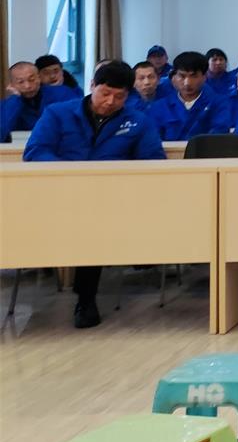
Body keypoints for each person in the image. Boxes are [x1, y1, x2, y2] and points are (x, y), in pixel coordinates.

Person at [24, 60, 165, 327]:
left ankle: (86, 299)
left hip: (111, 199)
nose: (110, 102)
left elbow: (152, 161)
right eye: (105, 93)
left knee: (93, 223)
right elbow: (35, 151)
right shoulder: (58, 113)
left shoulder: (137, 121)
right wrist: (71, 173)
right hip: (59, 195)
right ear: (92, 86)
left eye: (119, 96)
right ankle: (84, 297)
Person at [149, 51, 232, 141]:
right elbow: (153, 140)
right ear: (174, 77)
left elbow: (219, 135)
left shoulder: (218, 104)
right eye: (182, 76)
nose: (187, 83)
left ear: (204, 77)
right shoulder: (159, 107)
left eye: (194, 76)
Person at [0, 61, 73, 142]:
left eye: (31, 80)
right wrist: (15, 99)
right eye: (20, 82)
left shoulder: (63, 94)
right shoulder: (6, 106)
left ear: (39, 78)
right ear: (11, 85)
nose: (27, 86)